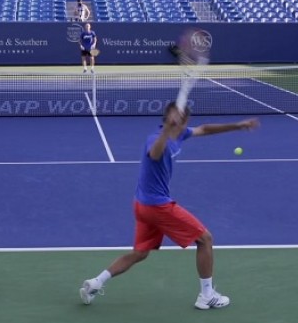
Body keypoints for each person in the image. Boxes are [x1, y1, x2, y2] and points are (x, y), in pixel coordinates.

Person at [79, 103, 260, 309]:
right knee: (205, 239)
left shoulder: (180, 134)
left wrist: (238, 125)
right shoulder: (156, 138)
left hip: (141, 205)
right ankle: (207, 295)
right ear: (172, 120)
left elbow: (205, 129)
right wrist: (167, 130)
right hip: (157, 206)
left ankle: (95, 283)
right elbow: (155, 153)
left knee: (139, 253)